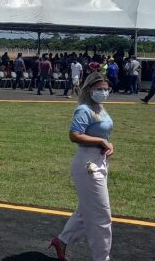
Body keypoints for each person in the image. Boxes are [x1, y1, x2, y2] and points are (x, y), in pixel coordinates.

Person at [50, 73, 114, 261]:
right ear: (88, 90)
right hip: (88, 165)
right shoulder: (84, 110)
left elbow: (103, 134)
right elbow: (74, 135)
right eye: (99, 89)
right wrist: (101, 140)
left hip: (100, 160)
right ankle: (102, 258)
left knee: (86, 210)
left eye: (106, 88)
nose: (104, 92)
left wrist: (107, 143)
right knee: (102, 216)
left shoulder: (99, 108)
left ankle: (61, 241)